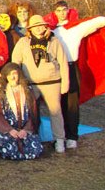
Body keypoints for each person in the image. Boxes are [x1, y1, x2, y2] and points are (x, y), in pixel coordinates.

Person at [44, 0, 105, 149]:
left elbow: (92, 24)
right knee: (57, 105)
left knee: (72, 105)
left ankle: (72, 136)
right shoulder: (50, 31)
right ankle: (60, 135)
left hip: (71, 68)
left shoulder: (76, 28)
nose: (61, 13)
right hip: (55, 70)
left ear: (68, 11)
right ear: (54, 13)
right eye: (58, 10)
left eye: (64, 10)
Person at [12, 15, 69, 153]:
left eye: (40, 25)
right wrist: (18, 81)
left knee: (55, 111)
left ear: (45, 26)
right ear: (30, 29)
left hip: (52, 81)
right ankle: (32, 137)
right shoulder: (23, 42)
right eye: (35, 26)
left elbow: (62, 62)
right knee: (30, 112)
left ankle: (59, 139)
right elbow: (15, 61)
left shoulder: (54, 41)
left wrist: (65, 83)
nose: (38, 28)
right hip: (31, 83)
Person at [0, 63, 43, 160]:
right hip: (8, 131)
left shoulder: (27, 91)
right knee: (9, 147)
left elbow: (33, 113)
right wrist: (10, 130)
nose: (12, 77)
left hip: (24, 130)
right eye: (9, 75)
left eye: (14, 74)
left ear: (19, 74)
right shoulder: (1, 93)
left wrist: (25, 130)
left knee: (35, 147)